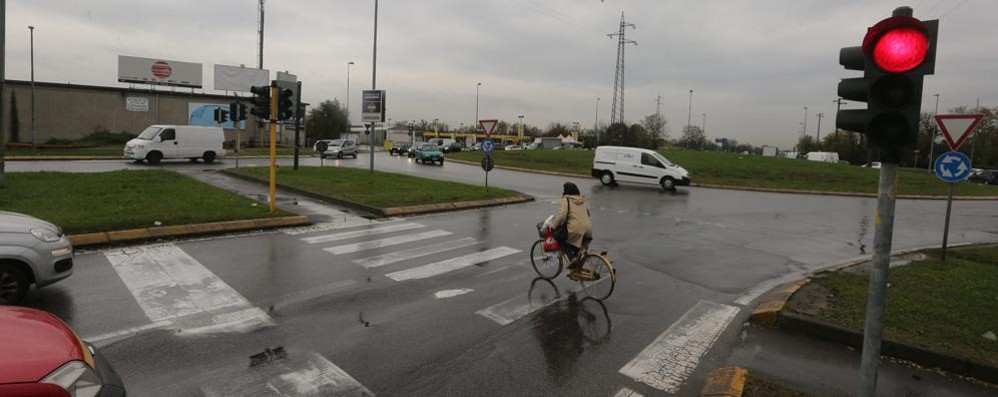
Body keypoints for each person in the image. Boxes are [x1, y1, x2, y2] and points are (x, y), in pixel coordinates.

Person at [548, 182, 593, 274]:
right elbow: (588, 213)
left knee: (561, 240)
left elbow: (561, 216)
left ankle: (573, 260)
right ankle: (577, 268)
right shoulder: (582, 199)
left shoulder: (566, 200)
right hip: (588, 228)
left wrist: (553, 225)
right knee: (575, 244)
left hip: (576, 229)